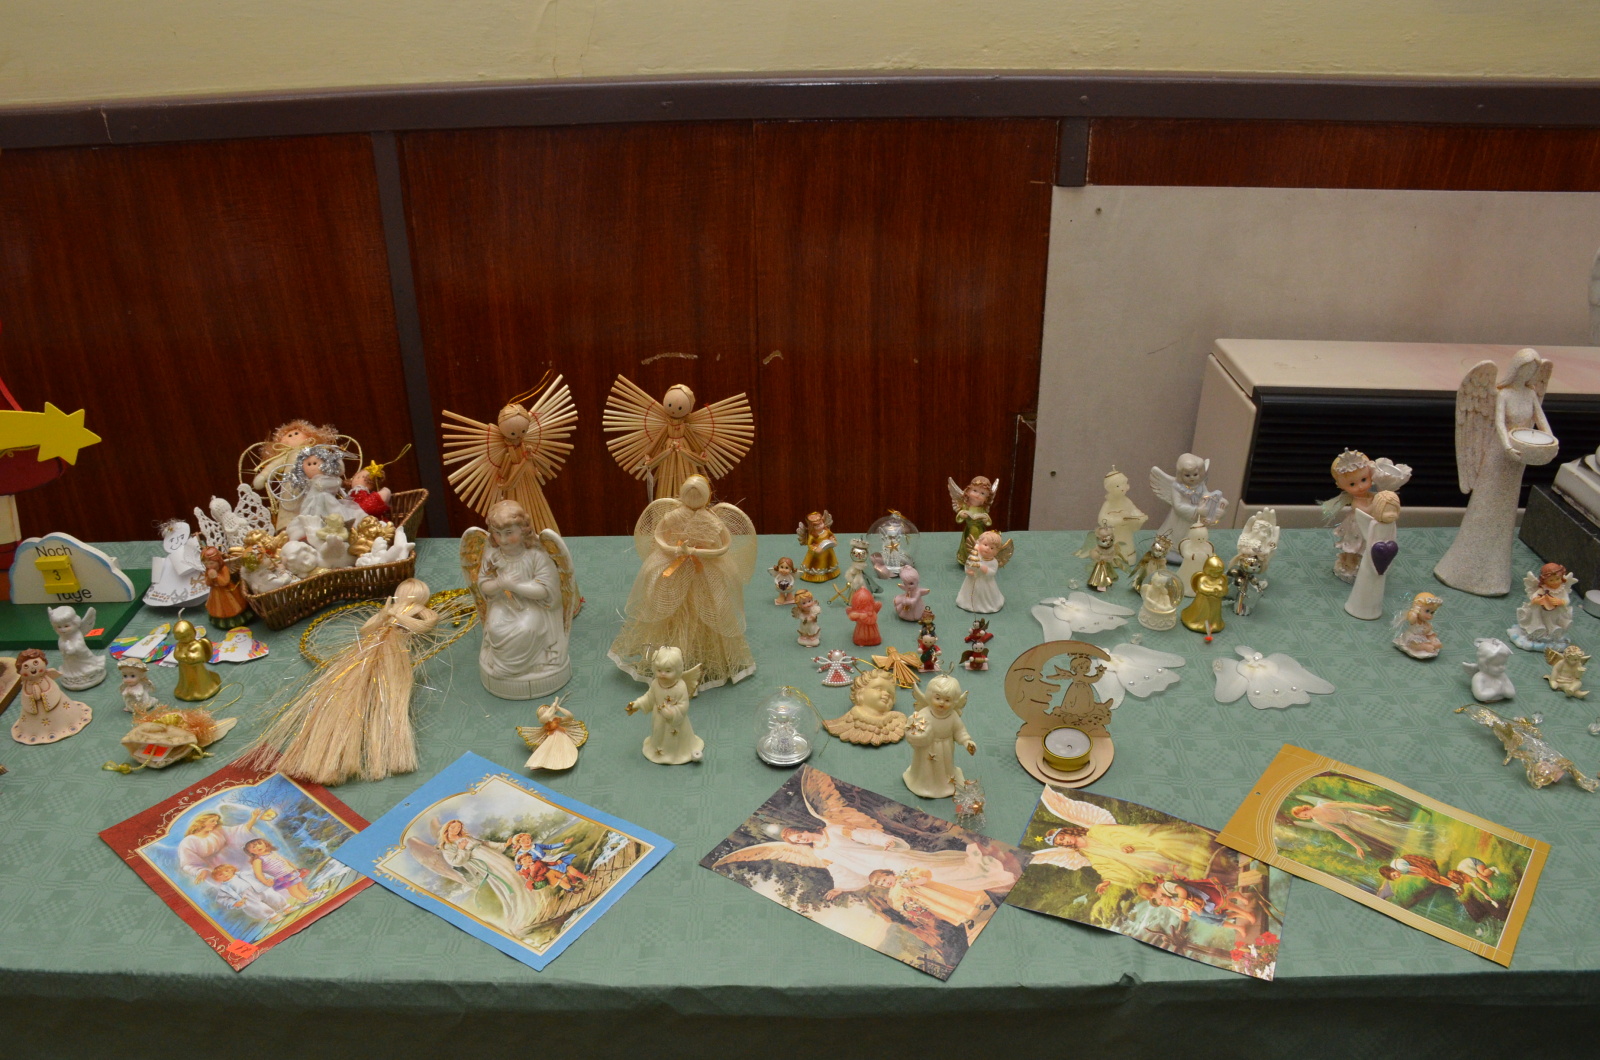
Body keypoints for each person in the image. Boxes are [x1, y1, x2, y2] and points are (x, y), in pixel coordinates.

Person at [477, 499, 569, 696]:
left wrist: (515, 586)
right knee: (495, 627)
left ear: (523, 530)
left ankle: (521, 666)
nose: (502, 539)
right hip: (504, 603)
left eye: (509, 533)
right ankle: (504, 667)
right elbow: (483, 585)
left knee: (526, 629)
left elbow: (546, 590)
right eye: (497, 533)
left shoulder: (536, 555)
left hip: (533, 606)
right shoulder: (492, 555)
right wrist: (499, 584)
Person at [245, 838, 313, 904]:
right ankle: (305, 900)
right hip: (281, 877)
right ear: (250, 851)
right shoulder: (257, 860)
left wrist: (295, 868)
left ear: (265, 843)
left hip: (290, 873)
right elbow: (258, 873)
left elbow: (284, 860)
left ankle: (310, 895)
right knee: (293, 888)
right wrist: (265, 881)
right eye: (254, 846)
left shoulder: (272, 853)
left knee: (300, 884)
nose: (258, 847)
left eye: (259, 843)